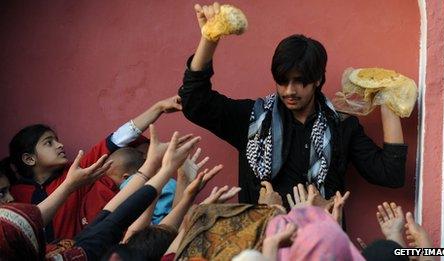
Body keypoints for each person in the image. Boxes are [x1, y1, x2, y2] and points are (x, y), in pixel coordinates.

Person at [179, 2, 408, 209]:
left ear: (318, 80)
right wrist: (209, 39)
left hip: (321, 247)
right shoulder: (252, 119)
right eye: (282, 80)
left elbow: (390, 174)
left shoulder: (341, 126)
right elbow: (194, 102)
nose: (289, 90)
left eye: (300, 82)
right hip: (263, 248)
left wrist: (387, 98)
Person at [7, 95, 182, 240]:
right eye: (49, 143)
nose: (59, 145)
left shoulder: (75, 172)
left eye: (57, 140)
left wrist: (158, 108)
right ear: (29, 159)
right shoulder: (13, 194)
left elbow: (115, 139)